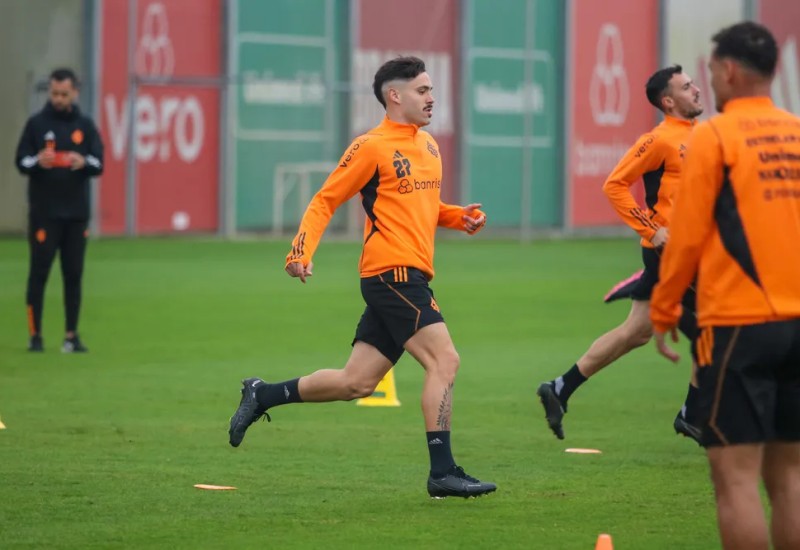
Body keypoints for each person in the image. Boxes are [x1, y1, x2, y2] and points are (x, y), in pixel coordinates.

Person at [228, 56, 496, 499]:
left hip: (410, 276)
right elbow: (324, 199)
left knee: (358, 382)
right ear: (395, 96)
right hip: (391, 274)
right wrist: (301, 250)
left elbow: (424, 208)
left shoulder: (428, 147)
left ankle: (262, 394)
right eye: (422, 90)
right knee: (444, 361)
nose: (432, 98)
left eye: (431, 90)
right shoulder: (370, 146)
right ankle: (442, 472)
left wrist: (457, 216)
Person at [651, 22, 800, 550]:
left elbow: (686, 238)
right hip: (797, 323)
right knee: (788, 480)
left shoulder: (713, 137)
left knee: (735, 480)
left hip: (739, 324)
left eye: (711, 69)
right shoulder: (798, 133)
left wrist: (664, 312)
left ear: (729, 71)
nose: (709, 79)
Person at [536, 65, 704, 441]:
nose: (696, 90)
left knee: (636, 331)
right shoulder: (659, 139)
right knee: (720, 328)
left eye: (693, 83)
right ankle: (694, 413)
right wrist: (651, 229)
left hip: (691, 251)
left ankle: (560, 388)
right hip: (670, 254)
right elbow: (615, 185)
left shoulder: (701, 136)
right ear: (668, 101)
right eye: (687, 86)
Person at [15, 68, 104, 353]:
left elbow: (99, 163)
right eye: (54, 93)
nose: (58, 98)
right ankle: (35, 336)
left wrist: (82, 161)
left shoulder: (85, 125)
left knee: (73, 274)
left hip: (76, 215)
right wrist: (39, 160)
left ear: (74, 92)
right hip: (45, 214)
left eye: (64, 93)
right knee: (39, 273)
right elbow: (21, 162)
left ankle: (70, 336)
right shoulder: (37, 124)